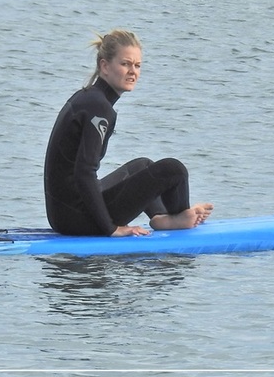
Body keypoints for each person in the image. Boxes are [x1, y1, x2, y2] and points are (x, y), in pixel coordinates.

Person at [43, 29, 213, 237]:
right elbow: (84, 172)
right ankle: (180, 219)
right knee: (174, 170)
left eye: (137, 65)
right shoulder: (99, 108)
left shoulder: (89, 99)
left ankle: (161, 217)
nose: (133, 71)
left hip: (64, 214)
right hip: (76, 219)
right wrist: (111, 228)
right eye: (125, 64)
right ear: (105, 66)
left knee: (142, 166)